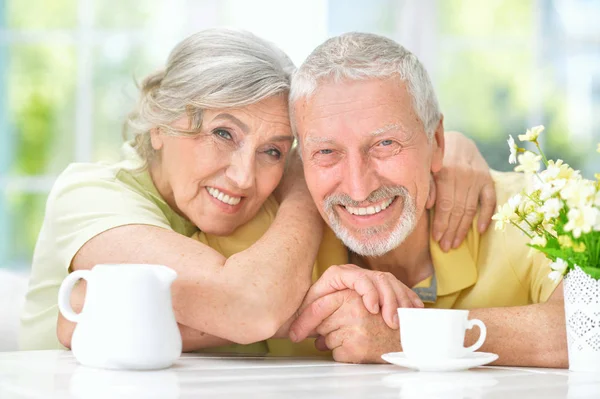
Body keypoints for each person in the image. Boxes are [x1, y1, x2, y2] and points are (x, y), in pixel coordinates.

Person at [20, 29, 495, 354]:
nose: (245, 177)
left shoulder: (251, 209)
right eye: (223, 133)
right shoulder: (90, 194)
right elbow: (248, 305)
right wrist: (308, 189)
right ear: (161, 123)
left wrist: (445, 150)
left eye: (273, 151)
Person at [287, 32, 567, 367]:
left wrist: (410, 335)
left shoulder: (534, 209)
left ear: (437, 142)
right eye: (327, 152)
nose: (359, 189)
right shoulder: (272, 230)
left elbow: (589, 328)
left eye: (385, 144)